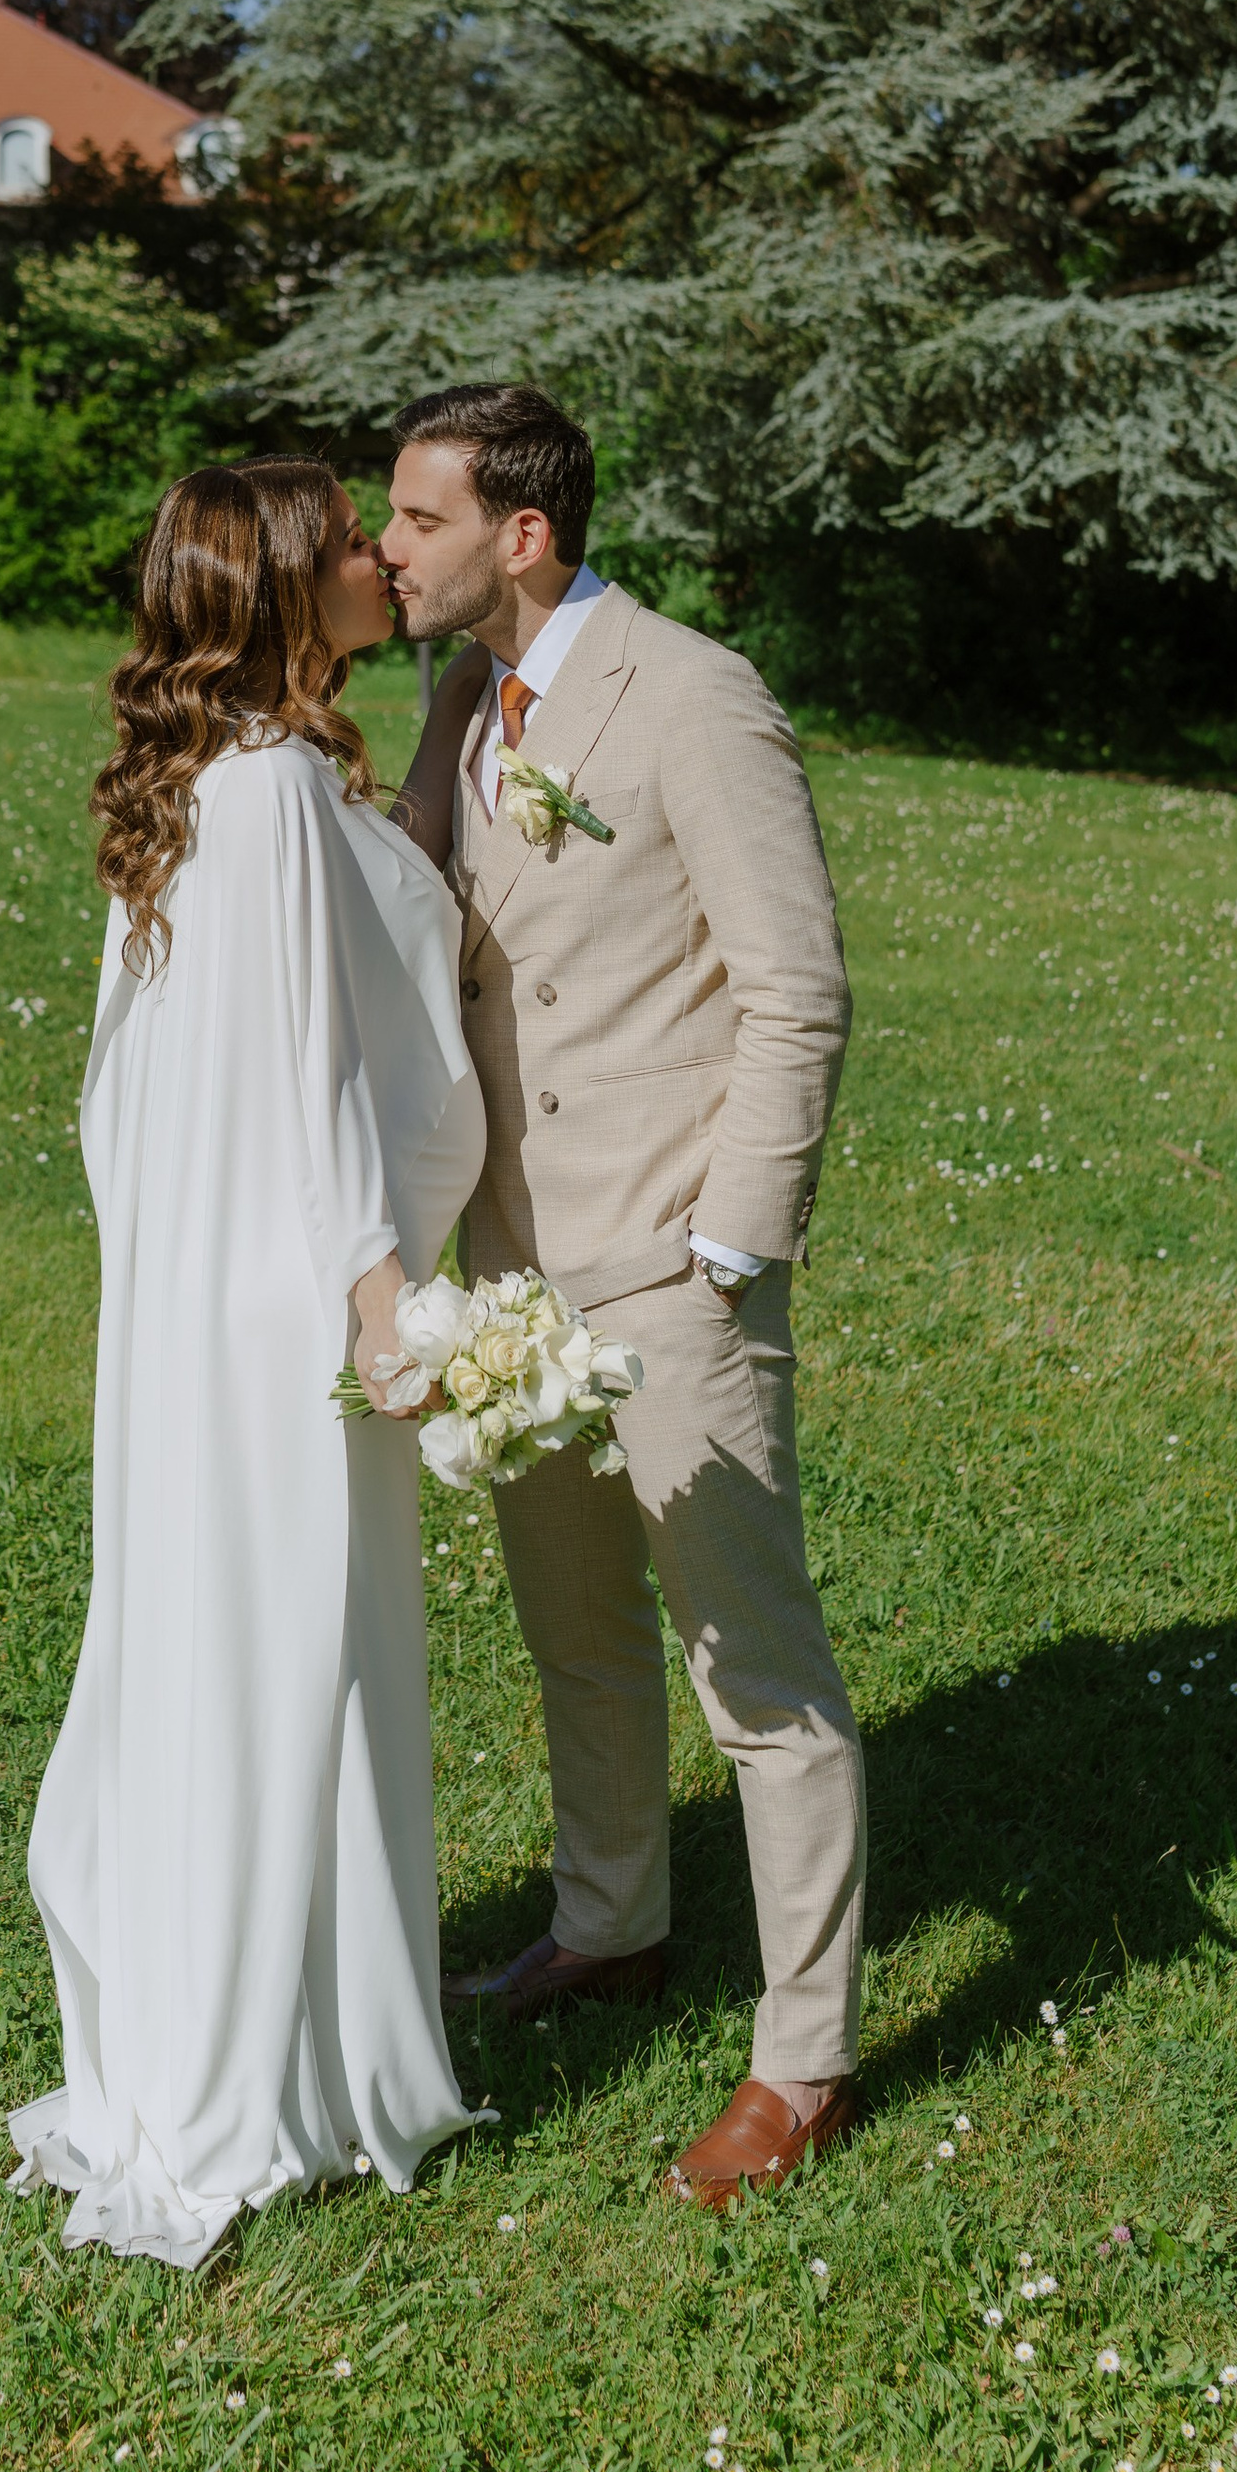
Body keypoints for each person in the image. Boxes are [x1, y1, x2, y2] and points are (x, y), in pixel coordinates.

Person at [381, 383, 865, 2213]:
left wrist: (732, 1243)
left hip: (667, 1260)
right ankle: (611, 1928)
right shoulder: (464, 697)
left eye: (415, 519)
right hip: (511, 1266)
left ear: (524, 532)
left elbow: (796, 989)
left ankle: (803, 2056)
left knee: (759, 1676)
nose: (383, 547)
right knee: (573, 1630)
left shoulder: (695, 693)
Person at [7, 458, 493, 2269]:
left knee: (212, 1643)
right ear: (291, 582)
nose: (382, 554)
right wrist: (385, 1312)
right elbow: (313, 1084)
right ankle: (270, 2063)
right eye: (354, 541)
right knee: (296, 1659)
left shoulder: (193, 784)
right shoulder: (277, 789)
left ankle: (227, 2018)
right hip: (293, 1306)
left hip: (188, 1311)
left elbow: (123, 1092)